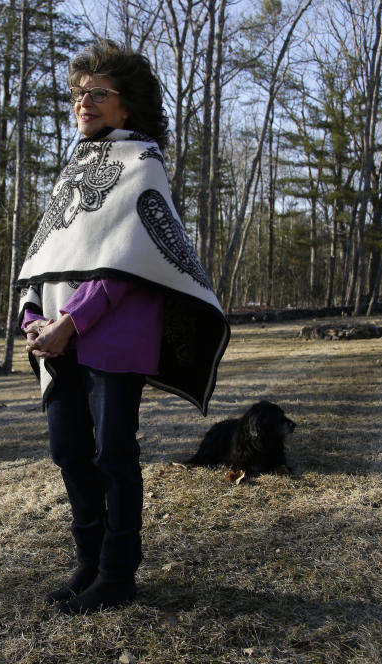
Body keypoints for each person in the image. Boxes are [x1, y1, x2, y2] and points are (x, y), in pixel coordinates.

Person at [16, 40, 229, 615]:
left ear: (126, 105)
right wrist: (35, 318)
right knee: (68, 451)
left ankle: (117, 574)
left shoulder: (142, 165)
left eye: (96, 94)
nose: (82, 102)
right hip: (56, 343)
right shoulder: (73, 170)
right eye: (77, 93)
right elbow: (44, 256)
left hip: (111, 338)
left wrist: (71, 322)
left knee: (113, 455)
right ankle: (89, 562)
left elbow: (133, 259)